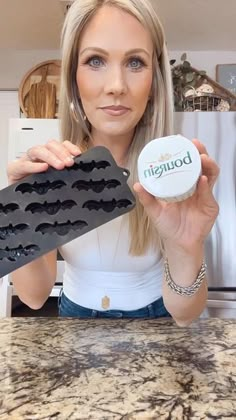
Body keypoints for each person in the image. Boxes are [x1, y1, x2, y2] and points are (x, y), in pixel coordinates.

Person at [7, 0, 219, 325]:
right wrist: (22, 214)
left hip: (156, 322)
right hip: (73, 319)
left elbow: (186, 313)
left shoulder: (170, 177)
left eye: (135, 62)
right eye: (95, 60)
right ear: (73, 79)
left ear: (154, 82)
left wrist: (186, 246)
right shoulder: (56, 172)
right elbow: (34, 297)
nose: (116, 86)